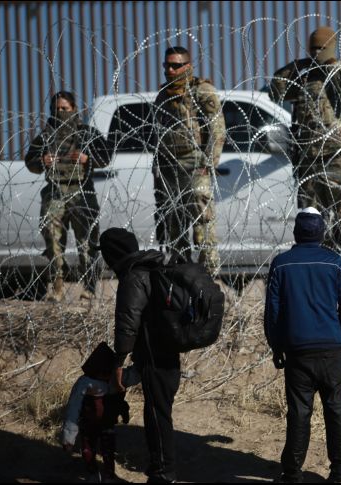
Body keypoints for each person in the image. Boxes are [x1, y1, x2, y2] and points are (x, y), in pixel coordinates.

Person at [269, 25, 341, 294]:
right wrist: (300, 64)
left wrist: (333, 66)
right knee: (312, 221)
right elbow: (275, 90)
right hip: (309, 161)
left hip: (339, 159)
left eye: (321, 49)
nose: (316, 53)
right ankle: (321, 274)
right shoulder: (304, 77)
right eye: (312, 49)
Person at [264, 207, 341, 483]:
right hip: (331, 349)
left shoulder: (281, 264)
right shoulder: (334, 262)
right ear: (322, 232)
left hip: (297, 352)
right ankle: (339, 471)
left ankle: (292, 472)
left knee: (299, 412)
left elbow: (272, 313)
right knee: (336, 409)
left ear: (295, 232)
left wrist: (276, 346)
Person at [99, 227, 187, 483]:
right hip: (166, 352)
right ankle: (161, 469)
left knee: (157, 417)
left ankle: (163, 474)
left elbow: (127, 323)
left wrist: (118, 363)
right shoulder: (151, 267)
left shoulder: (134, 277)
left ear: (111, 255)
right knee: (159, 411)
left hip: (154, 356)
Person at [25, 91, 111, 301]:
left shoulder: (86, 134)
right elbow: (31, 162)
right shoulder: (45, 136)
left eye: (65, 109)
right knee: (53, 242)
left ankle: (89, 288)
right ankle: (57, 287)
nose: (61, 112)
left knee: (87, 243)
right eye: (57, 109)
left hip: (82, 191)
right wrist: (42, 161)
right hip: (55, 192)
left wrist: (86, 158)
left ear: (74, 109)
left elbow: (106, 157)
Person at [150, 46, 225, 276]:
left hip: (194, 167)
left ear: (188, 66)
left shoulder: (201, 91)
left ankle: (208, 279)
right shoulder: (163, 96)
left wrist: (208, 164)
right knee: (174, 230)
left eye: (175, 65)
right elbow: (156, 133)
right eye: (167, 66)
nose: (170, 70)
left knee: (203, 226)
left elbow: (218, 129)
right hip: (169, 170)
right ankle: (181, 277)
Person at [61, 341, 139, 482]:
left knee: (108, 451)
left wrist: (141, 358)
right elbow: (73, 409)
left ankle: (108, 476)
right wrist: (69, 437)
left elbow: (132, 377)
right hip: (89, 424)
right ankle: (93, 474)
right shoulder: (85, 383)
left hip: (107, 424)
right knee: (88, 449)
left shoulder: (115, 378)